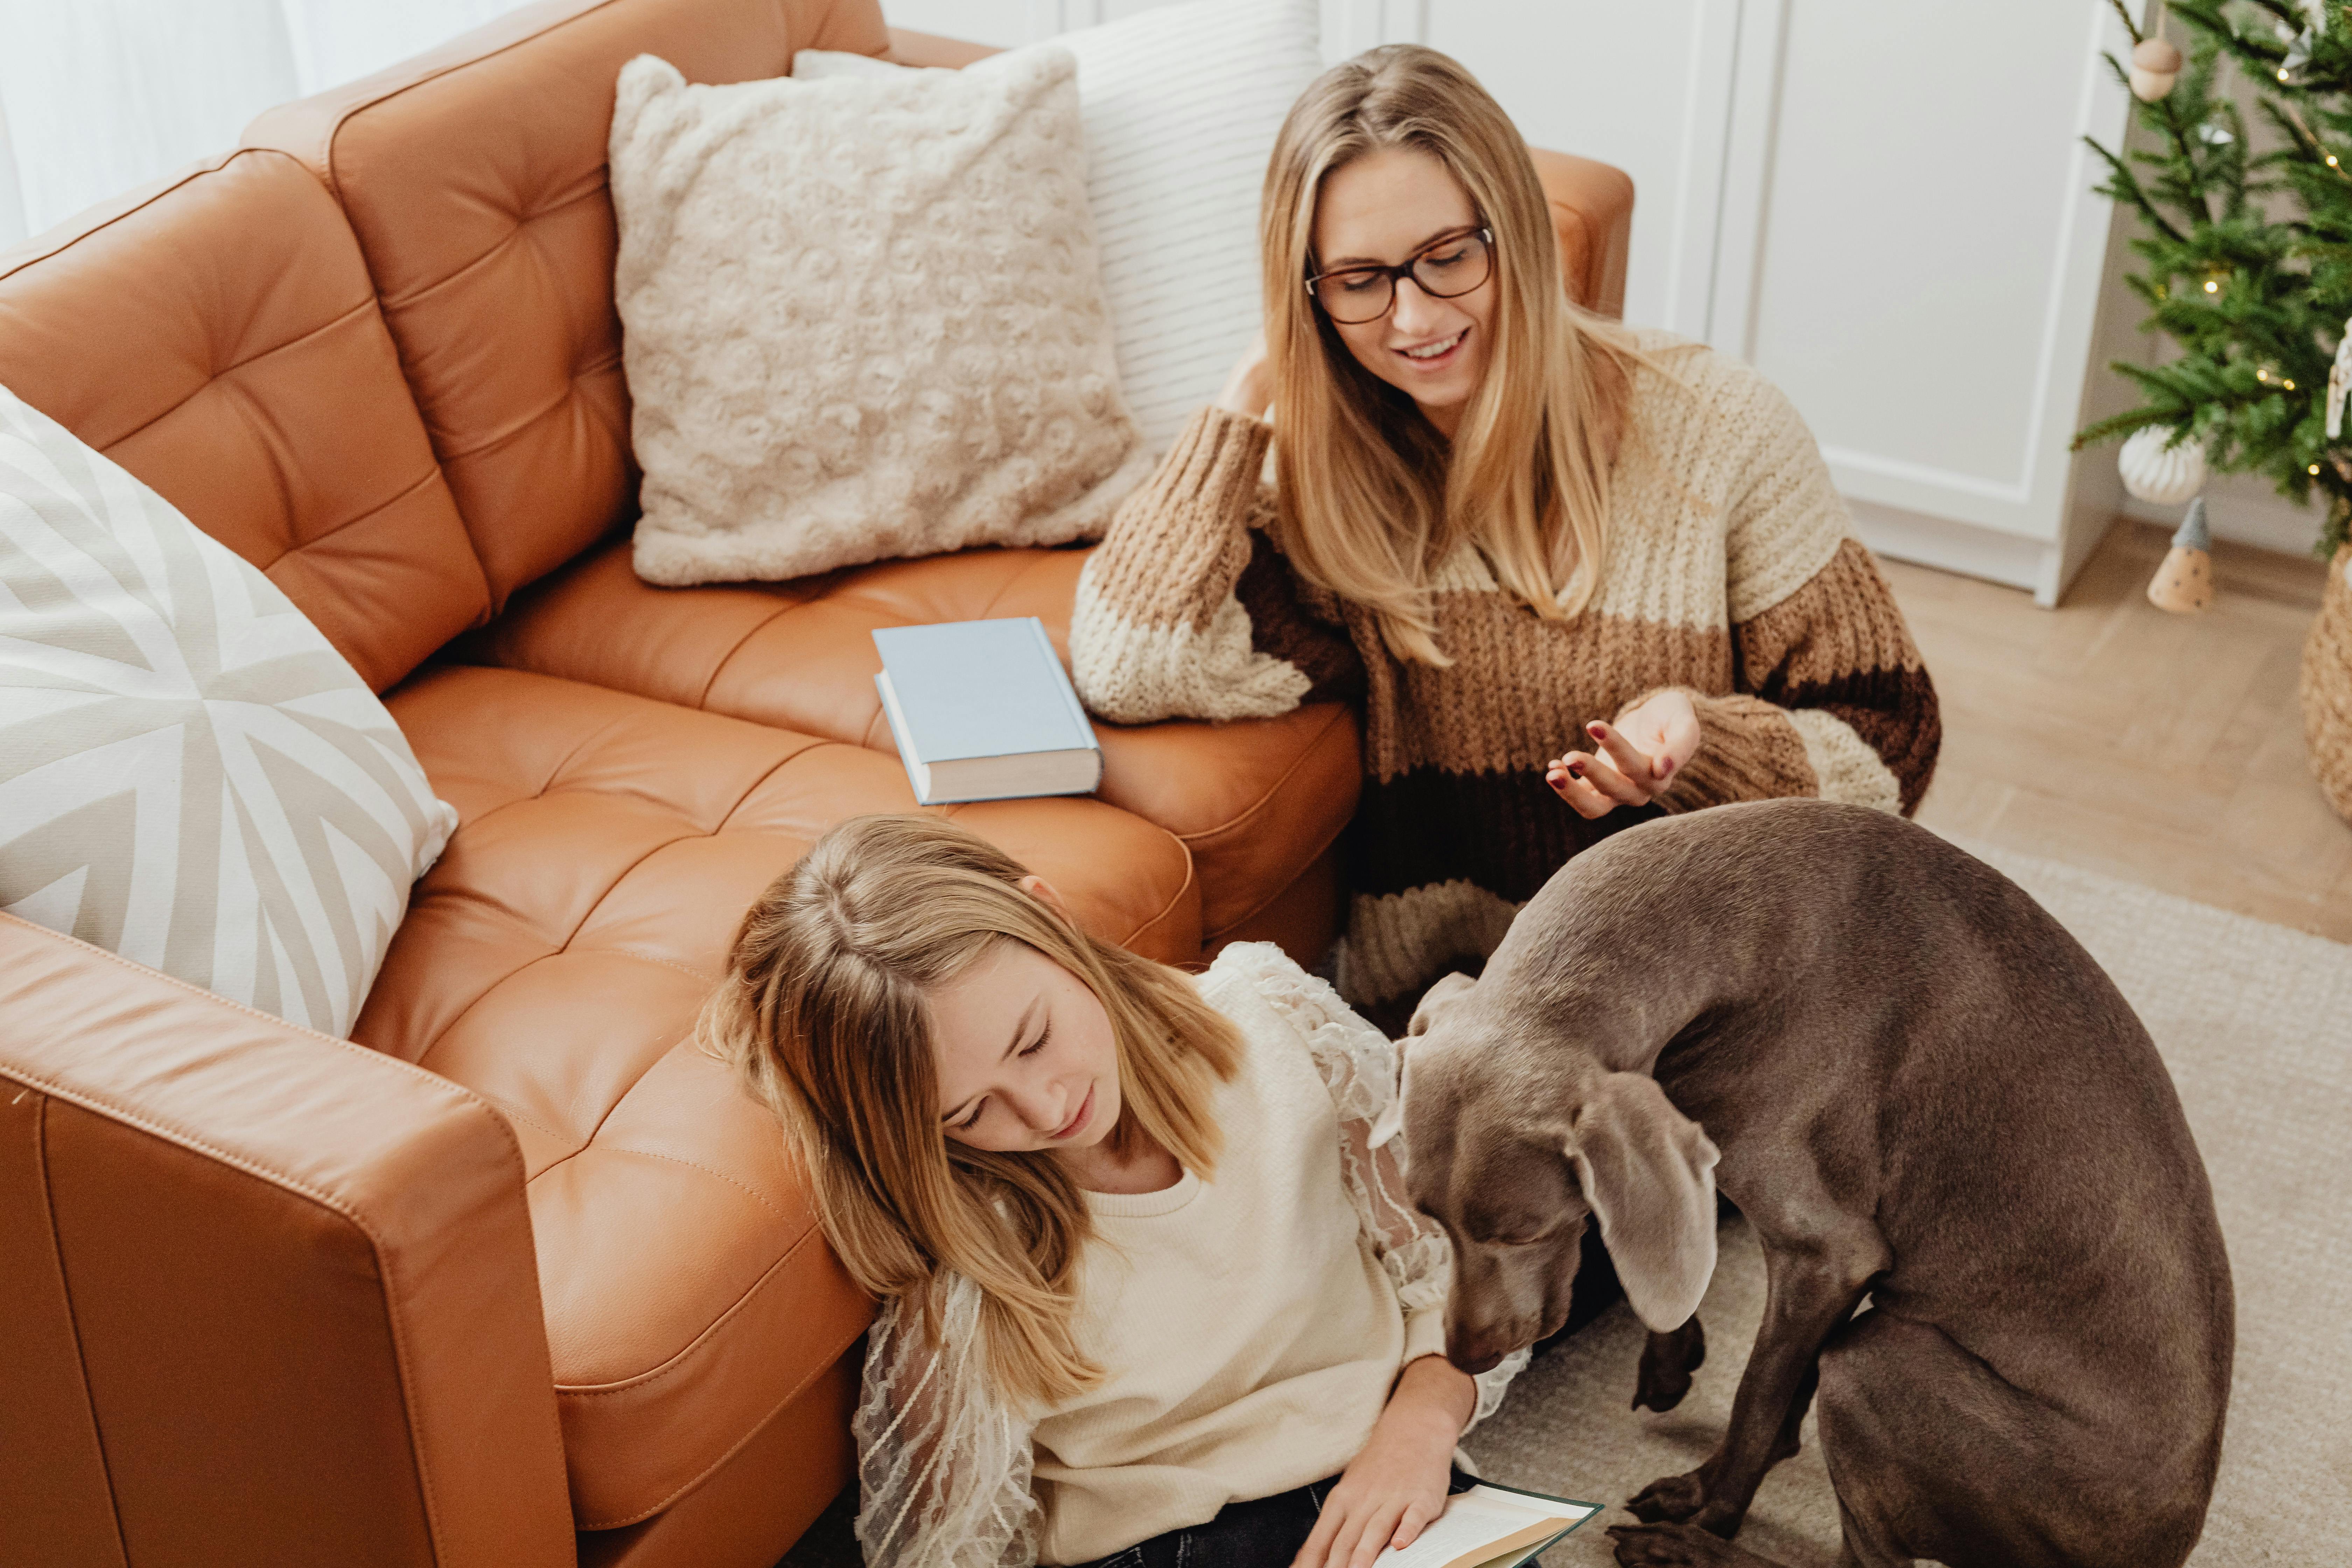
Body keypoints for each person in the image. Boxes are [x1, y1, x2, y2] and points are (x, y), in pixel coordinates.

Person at [1071, 46, 1941, 1035]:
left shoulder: (1720, 426)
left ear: (1516, 234)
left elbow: (1886, 746)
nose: (1415, 317)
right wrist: (1240, 405)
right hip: (1465, 1028)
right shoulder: (1317, 492)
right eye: (1360, 279)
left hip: (1717, 998)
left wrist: (1707, 742)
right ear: (1307, 292)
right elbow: (1130, 662)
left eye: (1449, 257)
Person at [708, 813, 1526, 1568]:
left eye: (1033, 1040)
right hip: (1156, 1543)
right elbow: (951, 1543)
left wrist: (1423, 1419)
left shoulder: (1272, 1021)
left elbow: (1454, 1264)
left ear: (1054, 920)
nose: (1048, 1109)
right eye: (967, 1112)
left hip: (1378, 1466)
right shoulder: (973, 1249)